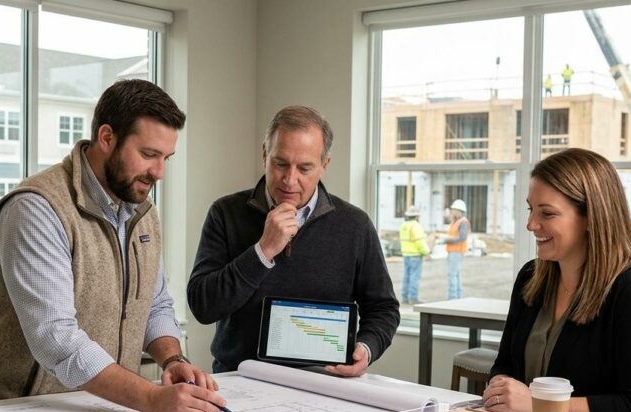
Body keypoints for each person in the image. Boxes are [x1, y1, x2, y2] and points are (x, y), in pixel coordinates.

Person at [0, 79, 226, 412]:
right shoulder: (36, 208)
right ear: (107, 138)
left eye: (166, 158)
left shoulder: (142, 212)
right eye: (148, 155)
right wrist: (151, 398)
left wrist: (173, 360)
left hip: (105, 409)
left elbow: (155, 303)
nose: (159, 172)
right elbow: (56, 340)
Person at [188, 105, 400, 376]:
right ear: (265, 153)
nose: (290, 180)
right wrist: (263, 250)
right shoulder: (225, 213)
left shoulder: (355, 225)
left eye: (305, 168)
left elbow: (384, 308)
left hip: (326, 381)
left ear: (325, 165)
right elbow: (203, 307)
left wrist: (367, 347)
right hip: (240, 378)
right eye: (280, 164)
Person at [483, 148, 631, 412]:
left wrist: (538, 405)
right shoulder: (530, 278)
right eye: (531, 209)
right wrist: (500, 387)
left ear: (591, 218)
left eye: (547, 213)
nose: (531, 224)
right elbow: (505, 364)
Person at [399, 205, 429, 304]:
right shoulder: (416, 226)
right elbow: (419, 242)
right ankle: (413, 298)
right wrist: (426, 252)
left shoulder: (403, 226)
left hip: (406, 254)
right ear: (416, 216)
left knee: (406, 276)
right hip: (415, 255)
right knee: (414, 277)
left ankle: (404, 297)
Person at [441, 199, 469, 299]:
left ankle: (452, 298)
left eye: (453, 210)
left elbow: (462, 237)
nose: (452, 212)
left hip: (456, 252)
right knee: (456, 275)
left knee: (452, 275)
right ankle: (457, 298)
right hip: (453, 251)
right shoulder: (456, 221)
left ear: (458, 211)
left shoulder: (463, 222)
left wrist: (446, 240)